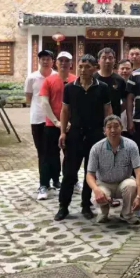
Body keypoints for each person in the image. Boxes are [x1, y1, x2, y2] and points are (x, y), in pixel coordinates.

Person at [55, 54, 112, 221]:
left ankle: (86, 205)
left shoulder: (102, 88)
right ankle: (63, 206)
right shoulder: (70, 88)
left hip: (95, 134)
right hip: (75, 134)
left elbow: (108, 110)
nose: (83, 70)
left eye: (87, 66)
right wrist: (63, 132)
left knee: (90, 171)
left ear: (94, 68)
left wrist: (108, 131)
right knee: (69, 172)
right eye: (80, 66)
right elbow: (65, 111)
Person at [86, 115, 140, 224]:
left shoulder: (131, 146)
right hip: (104, 183)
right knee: (97, 194)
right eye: (109, 127)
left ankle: (127, 214)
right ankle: (103, 213)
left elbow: (139, 171)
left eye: (116, 126)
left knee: (132, 185)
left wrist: (139, 196)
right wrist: (96, 190)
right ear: (104, 130)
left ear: (121, 128)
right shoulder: (96, 148)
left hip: (123, 182)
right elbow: (90, 174)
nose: (113, 130)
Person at [39, 52, 75, 200]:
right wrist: (56, 122)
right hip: (52, 124)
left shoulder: (76, 80)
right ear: (56, 63)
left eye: (67, 61)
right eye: (61, 60)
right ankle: (44, 185)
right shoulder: (49, 81)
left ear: (71, 64)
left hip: (71, 126)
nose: (64, 63)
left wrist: (70, 122)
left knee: (71, 156)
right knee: (49, 156)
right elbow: (44, 103)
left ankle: (71, 182)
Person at [25, 50, 57, 199]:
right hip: (37, 119)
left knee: (54, 151)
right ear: (39, 61)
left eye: (48, 59)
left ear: (52, 61)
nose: (45, 61)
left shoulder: (56, 76)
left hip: (54, 120)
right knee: (42, 152)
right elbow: (28, 98)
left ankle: (55, 180)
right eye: (42, 59)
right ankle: (43, 184)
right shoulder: (32, 78)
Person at [95, 48, 127, 126]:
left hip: (114, 122)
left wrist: (116, 112)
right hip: (95, 120)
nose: (107, 61)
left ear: (114, 61)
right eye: (104, 58)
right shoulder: (93, 78)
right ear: (98, 61)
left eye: (110, 58)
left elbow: (125, 101)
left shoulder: (120, 80)